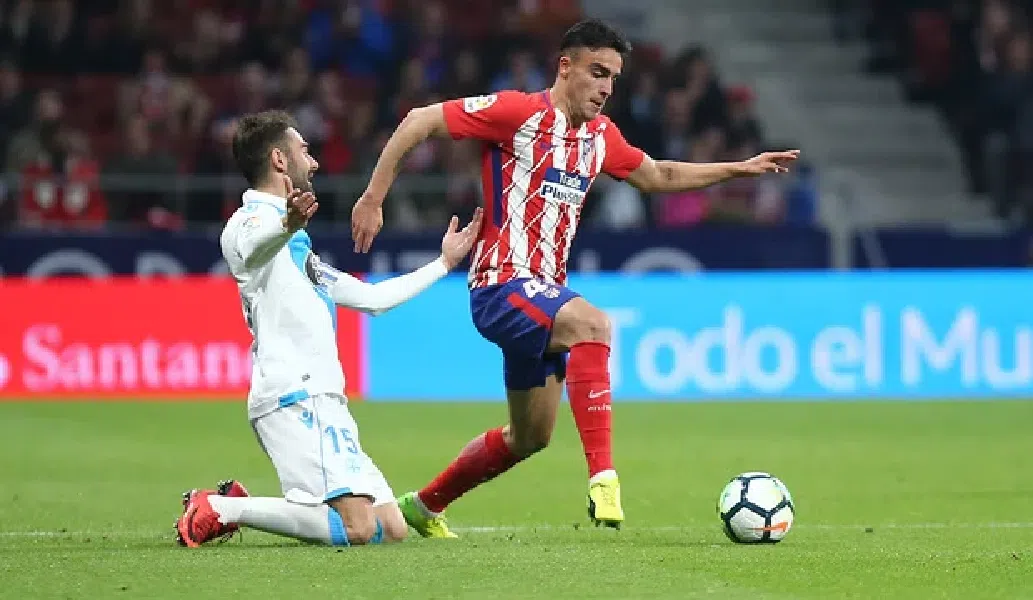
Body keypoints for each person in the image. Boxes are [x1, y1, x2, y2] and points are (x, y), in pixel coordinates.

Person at [350, 19, 800, 536]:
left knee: (529, 437)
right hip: (501, 285)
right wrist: (373, 197)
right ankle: (603, 477)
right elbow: (420, 120)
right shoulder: (518, 113)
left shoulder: (601, 137)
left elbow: (658, 174)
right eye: (598, 72)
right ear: (566, 66)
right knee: (594, 325)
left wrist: (739, 169)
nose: (607, 87)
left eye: (614, 78)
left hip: (543, 296)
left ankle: (424, 506)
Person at [174, 110, 483, 548]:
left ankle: (240, 504)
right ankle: (221, 509)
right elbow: (253, 251)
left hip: (324, 396)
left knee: (391, 528)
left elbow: (373, 300)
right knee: (357, 528)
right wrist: (285, 225)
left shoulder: (299, 248)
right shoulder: (247, 223)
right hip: (293, 393)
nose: (314, 161)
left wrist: (444, 264)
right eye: (305, 150)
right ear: (279, 159)